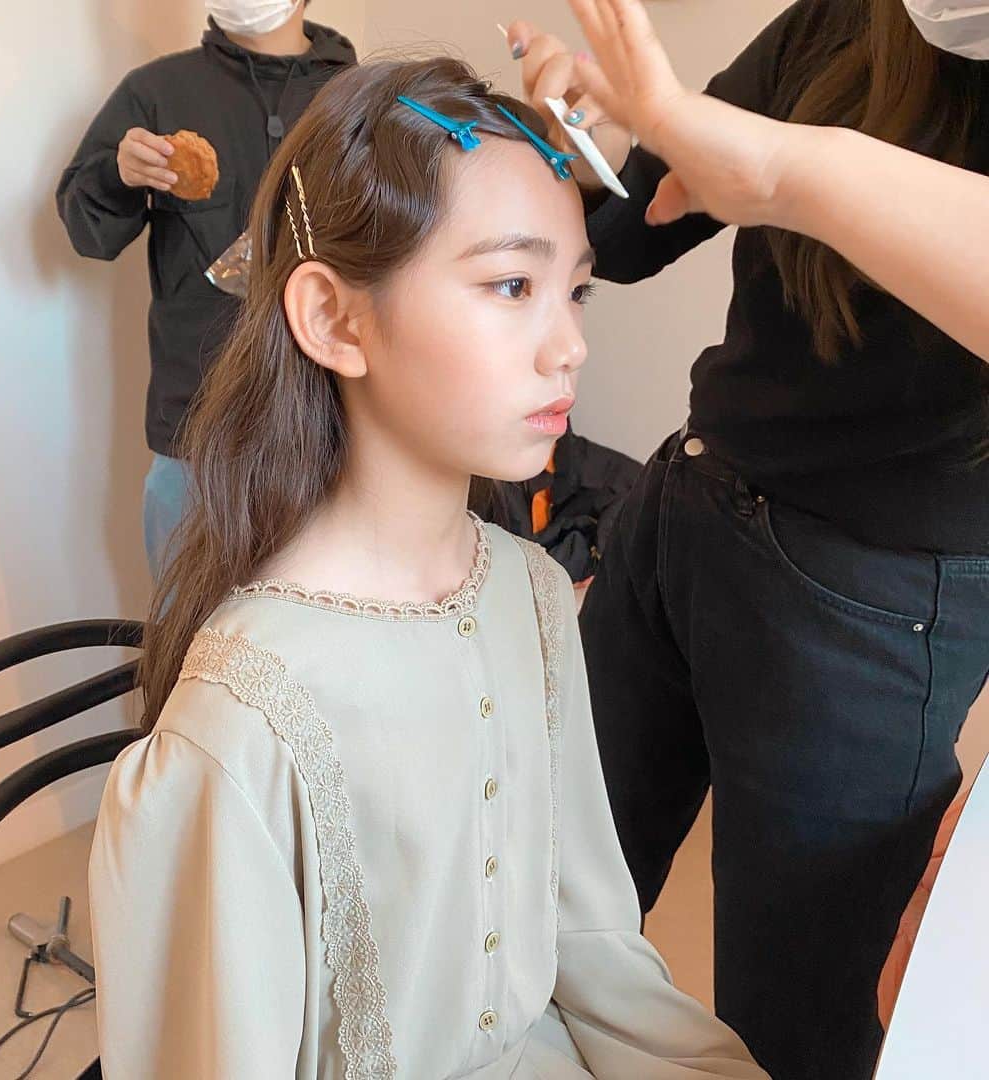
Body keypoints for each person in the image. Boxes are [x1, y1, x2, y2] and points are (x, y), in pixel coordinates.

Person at [87, 57, 769, 1079]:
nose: (569, 345)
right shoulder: (243, 716)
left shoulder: (533, 593)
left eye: (575, 289)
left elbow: (592, 945)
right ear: (334, 319)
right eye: (512, 285)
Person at [507, 1, 989, 1077]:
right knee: (542, 911)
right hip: (687, 507)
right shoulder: (847, 21)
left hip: (867, 612)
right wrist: (592, 138)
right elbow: (635, 222)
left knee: (795, 1030)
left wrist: (782, 171)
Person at [56, 1, 355, 580]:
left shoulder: (357, 97)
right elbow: (87, 234)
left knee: (322, 627)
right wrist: (119, 173)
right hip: (195, 445)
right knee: (189, 630)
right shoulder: (156, 93)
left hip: (330, 439)